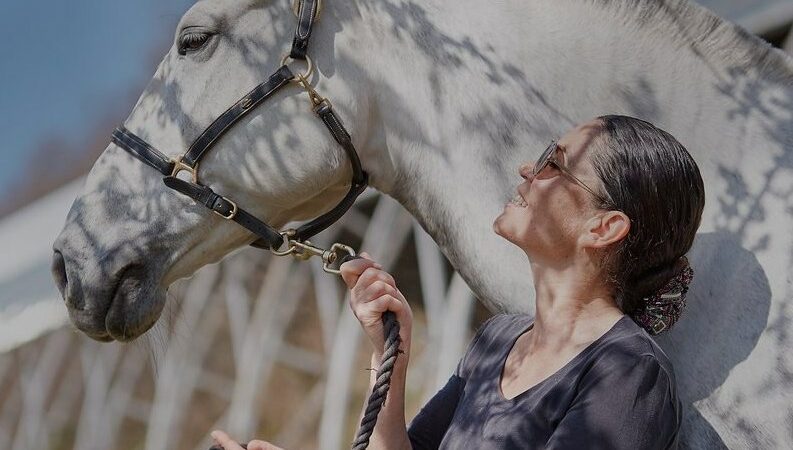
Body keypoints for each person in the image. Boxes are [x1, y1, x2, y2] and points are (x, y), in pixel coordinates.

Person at [209, 114, 705, 450]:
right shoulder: (497, 339)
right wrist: (388, 356)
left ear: (604, 228)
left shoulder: (629, 374)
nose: (528, 168)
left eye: (555, 163)